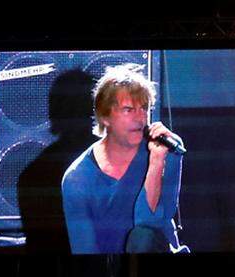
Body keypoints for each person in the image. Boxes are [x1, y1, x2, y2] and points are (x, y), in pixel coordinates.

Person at [61, 65, 186, 255]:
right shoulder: (77, 179)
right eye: (128, 110)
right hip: (111, 272)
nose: (140, 118)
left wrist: (156, 163)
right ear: (105, 117)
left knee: (142, 237)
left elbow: (150, 225)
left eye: (144, 108)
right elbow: (84, 250)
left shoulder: (168, 150)